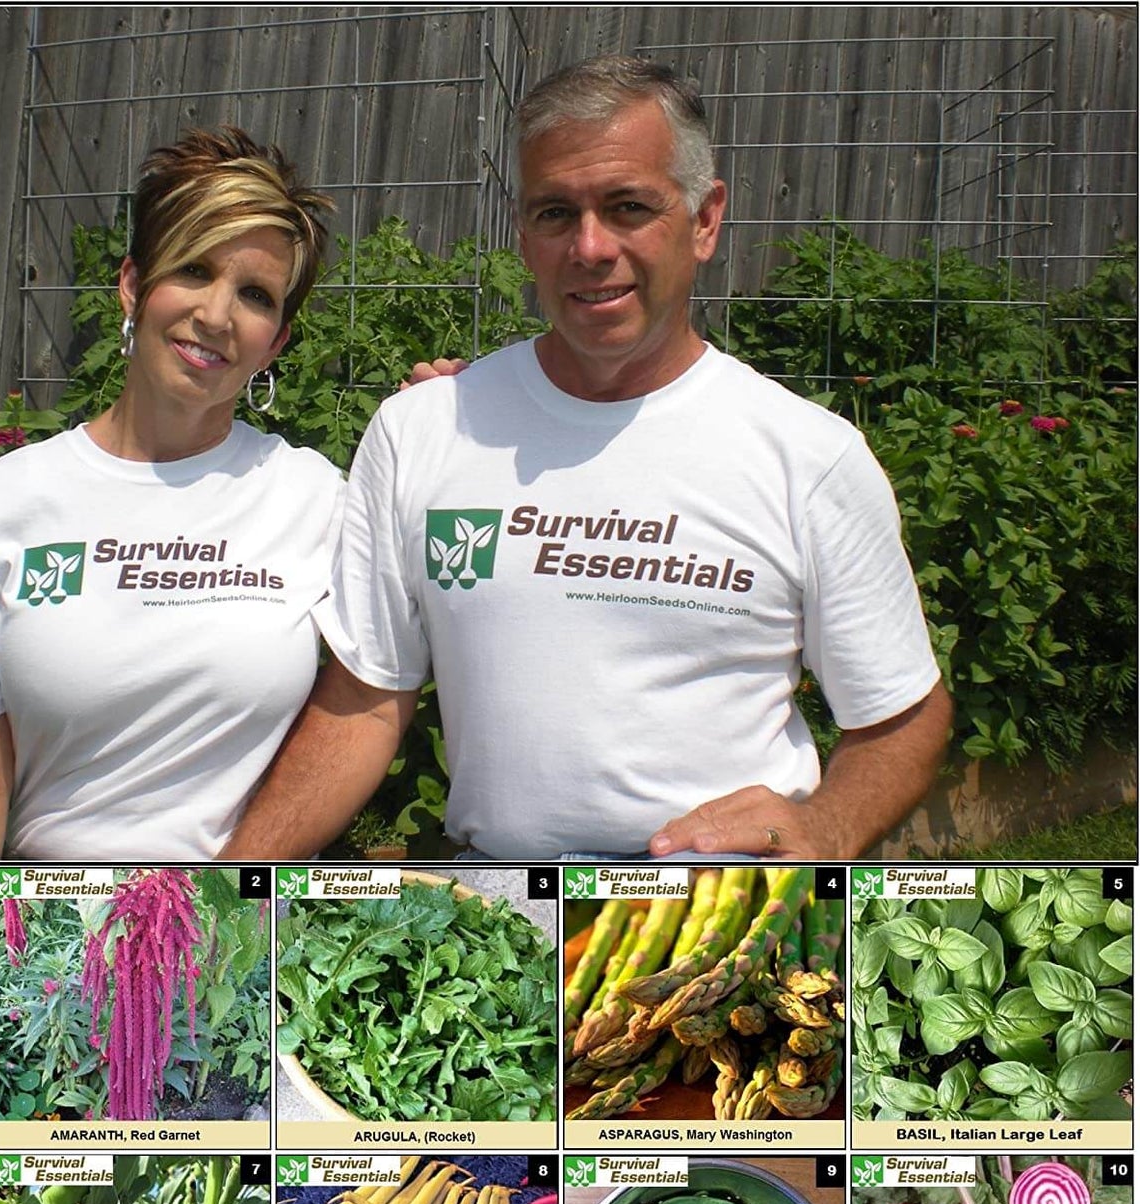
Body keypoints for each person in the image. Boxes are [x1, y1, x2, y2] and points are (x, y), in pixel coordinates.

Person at [222, 56, 951, 862]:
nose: (589, 246)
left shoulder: (805, 456)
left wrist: (829, 825)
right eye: (554, 213)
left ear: (705, 220)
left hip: (719, 913)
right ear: (521, 230)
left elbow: (900, 716)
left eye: (628, 206)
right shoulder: (424, 430)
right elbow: (365, 696)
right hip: (499, 915)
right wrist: (225, 884)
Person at [0, 128, 339, 859]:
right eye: (193, 270)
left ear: (277, 341)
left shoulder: (315, 497)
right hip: (48, 924)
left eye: (255, 295)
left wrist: (446, 425)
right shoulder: (2, 501)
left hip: (243, 926)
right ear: (133, 284)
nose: (217, 315)